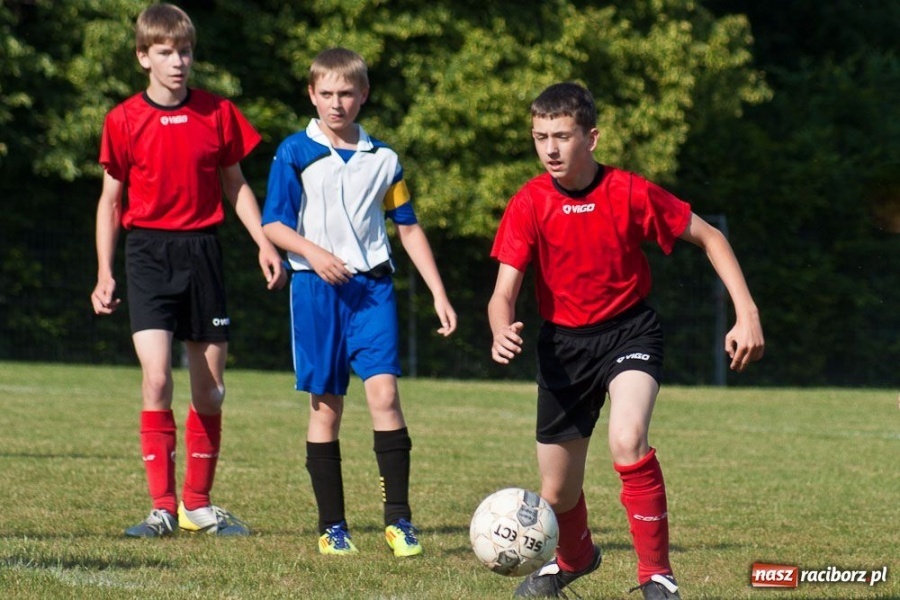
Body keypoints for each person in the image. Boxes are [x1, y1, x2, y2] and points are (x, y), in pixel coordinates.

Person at [488, 82, 765, 599]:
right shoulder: (528, 203)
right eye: (539, 136)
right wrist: (501, 326)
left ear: (591, 138)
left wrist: (746, 313)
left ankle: (657, 574)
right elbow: (503, 292)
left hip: (628, 333)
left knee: (627, 438)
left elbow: (711, 237)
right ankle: (575, 558)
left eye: (562, 136)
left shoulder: (631, 192)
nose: (550, 148)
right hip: (562, 350)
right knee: (556, 491)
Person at [90, 3, 286, 538]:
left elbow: (237, 185)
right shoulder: (123, 120)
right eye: (165, 52)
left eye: (185, 51)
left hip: (204, 253)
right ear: (143, 57)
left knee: (210, 391)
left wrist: (264, 242)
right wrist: (104, 272)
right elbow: (110, 202)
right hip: (148, 253)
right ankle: (162, 507)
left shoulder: (218, 113)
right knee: (156, 379)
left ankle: (198, 506)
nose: (178, 62)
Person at [261, 47, 457, 557]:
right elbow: (274, 224)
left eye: (346, 93)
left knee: (385, 397)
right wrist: (312, 253)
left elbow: (407, 227)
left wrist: (438, 292)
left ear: (363, 95)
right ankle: (333, 527)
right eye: (326, 94)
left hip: (372, 290)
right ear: (312, 94)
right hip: (315, 290)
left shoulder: (385, 159)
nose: (336, 103)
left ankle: (399, 522)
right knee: (326, 407)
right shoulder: (293, 152)